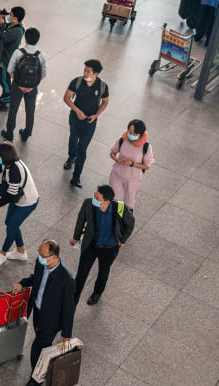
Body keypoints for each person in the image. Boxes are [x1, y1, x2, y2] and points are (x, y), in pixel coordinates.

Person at [13, 240, 76, 386]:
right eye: (39, 253)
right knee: (43, 346)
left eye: (43, 255)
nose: (39, 257)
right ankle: (44, 367)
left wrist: (67, 334)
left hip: (52, 320)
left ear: (54, 257)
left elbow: (69, 309)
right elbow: (36, 279)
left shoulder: (66, 280)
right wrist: (23, 283)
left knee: (37, 348)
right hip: (38, 313)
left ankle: (36, 379)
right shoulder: (41, 264)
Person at [71, 184, 135, 305]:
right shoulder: (88, 203)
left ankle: (97, 293)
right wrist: (76, 237)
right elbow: (81, 220)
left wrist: (123, 240)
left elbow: (131, 223)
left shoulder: (120, 207)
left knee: (103, 272)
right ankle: (73, 299)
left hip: (109, 248)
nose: (94, 199)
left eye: (97, 198)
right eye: (94, 196)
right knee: (81, 274)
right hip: (91, 245)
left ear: (107, 201)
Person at [0, 142, 39, 268]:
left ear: (4, 156)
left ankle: (2, 253)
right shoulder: (7, 163)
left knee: (11, 226)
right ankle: (21, 251)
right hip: (17, 199)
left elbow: (11, 195)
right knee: (10, 223)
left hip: (27, 202)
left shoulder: (14, 171)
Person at [64, 59, 109, 188]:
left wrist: (96, 115)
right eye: (84, 70)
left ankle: (76, 176)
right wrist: (77, 111)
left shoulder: (102, 86)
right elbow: (66, 98)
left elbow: (105, 101)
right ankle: (71, 157)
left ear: (96, 74)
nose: (85, 73)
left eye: (88, 71)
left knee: (82, 148)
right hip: (75, 117)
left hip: (90, 121)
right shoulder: (77, 82)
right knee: (73, 139)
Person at [3, 28, 47, 141]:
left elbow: (10, 69)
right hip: (32, 88)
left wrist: (19, 83)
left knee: (13, 109)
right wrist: (32, 85)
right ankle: (26, 133)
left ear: (25, 39)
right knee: (30, 111)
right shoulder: (41, 55)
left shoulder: (18, 52)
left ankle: (9, 133)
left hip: (17, 87)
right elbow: (44, 74)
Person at [108, 120, 154, 209]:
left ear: (140, 134)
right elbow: (112, 152)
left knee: (128, 202)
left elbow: (147, 166)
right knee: (113, 199)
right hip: (117, 174)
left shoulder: (146, 147)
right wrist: (117, 160)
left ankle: (124, 220)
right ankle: (113, 219)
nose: (131, 135)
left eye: (134, 134)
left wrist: (132, 164)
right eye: (130, 132)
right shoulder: (122, 140)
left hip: (133, 178)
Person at [0, 7, 25, 112]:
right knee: (2, 80)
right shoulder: (14, 25)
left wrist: (1, 24)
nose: (8, 16)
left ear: (15, 17)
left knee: (5, 82)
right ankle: (3, 97)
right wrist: (2, 20)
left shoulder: (18, 30)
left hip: (6, 61)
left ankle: (7, 102)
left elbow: (3, 38)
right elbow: (6, 29)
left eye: (10, 15)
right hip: (3, 58)